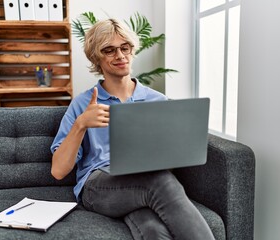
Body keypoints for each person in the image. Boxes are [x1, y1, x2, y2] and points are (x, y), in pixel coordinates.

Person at [50, 18, 215, 240]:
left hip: (140, 182)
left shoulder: (157, 100)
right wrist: (81, 124)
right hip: (98, 186)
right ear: (96, 58)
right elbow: (58, 171)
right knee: (159, 182)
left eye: (124, 48)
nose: (120, 55)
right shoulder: (83, 103)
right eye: (109, 50)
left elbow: (171, 155)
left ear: (132, 50)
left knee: (153, 230)